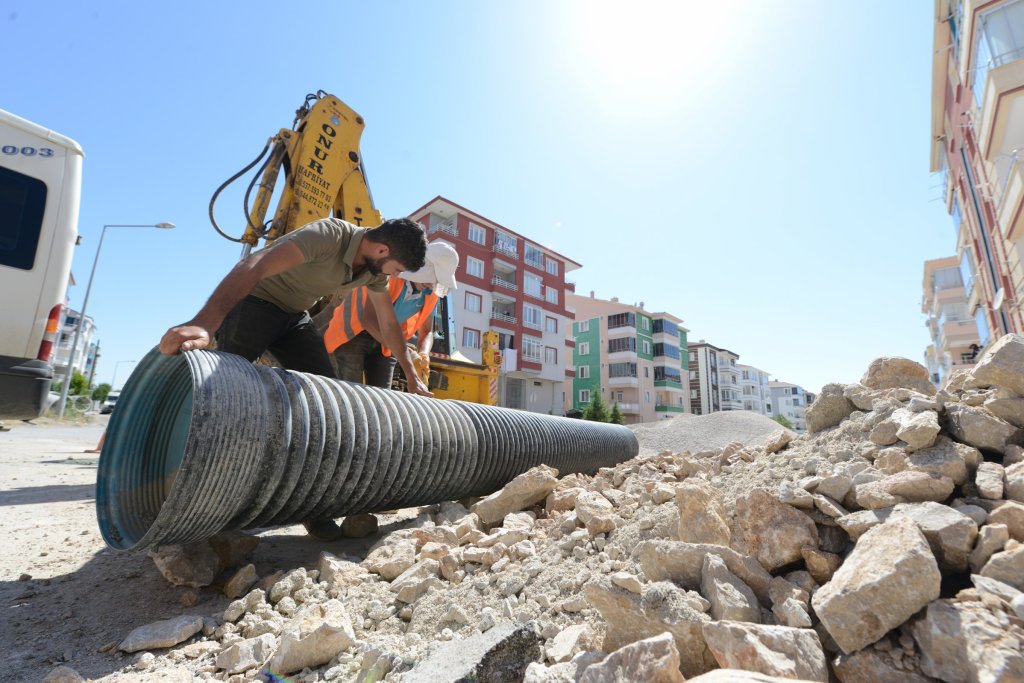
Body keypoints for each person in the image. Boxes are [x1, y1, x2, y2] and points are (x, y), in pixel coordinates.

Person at [159, 217, 432, 398]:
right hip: (256, 304)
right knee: (226, 386)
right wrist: (205, 322)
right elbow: (255, 264)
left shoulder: (375, 273)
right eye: (397, 269)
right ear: (382, 251)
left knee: (323, 388)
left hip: (294, 318)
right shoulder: (329, 235)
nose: (395, 277)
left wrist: (411, 375)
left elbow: (387, 323)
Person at [325, 241, 459, 389]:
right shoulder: (391, 275)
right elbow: (369, 320)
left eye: (434, 282)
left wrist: (423, 354)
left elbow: (427, 331)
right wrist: (404, 351)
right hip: (353, 333)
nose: (430, 285)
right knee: (351, 393)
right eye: (430, 279)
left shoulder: (430, 293)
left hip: (388, 342)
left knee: (383, 398)